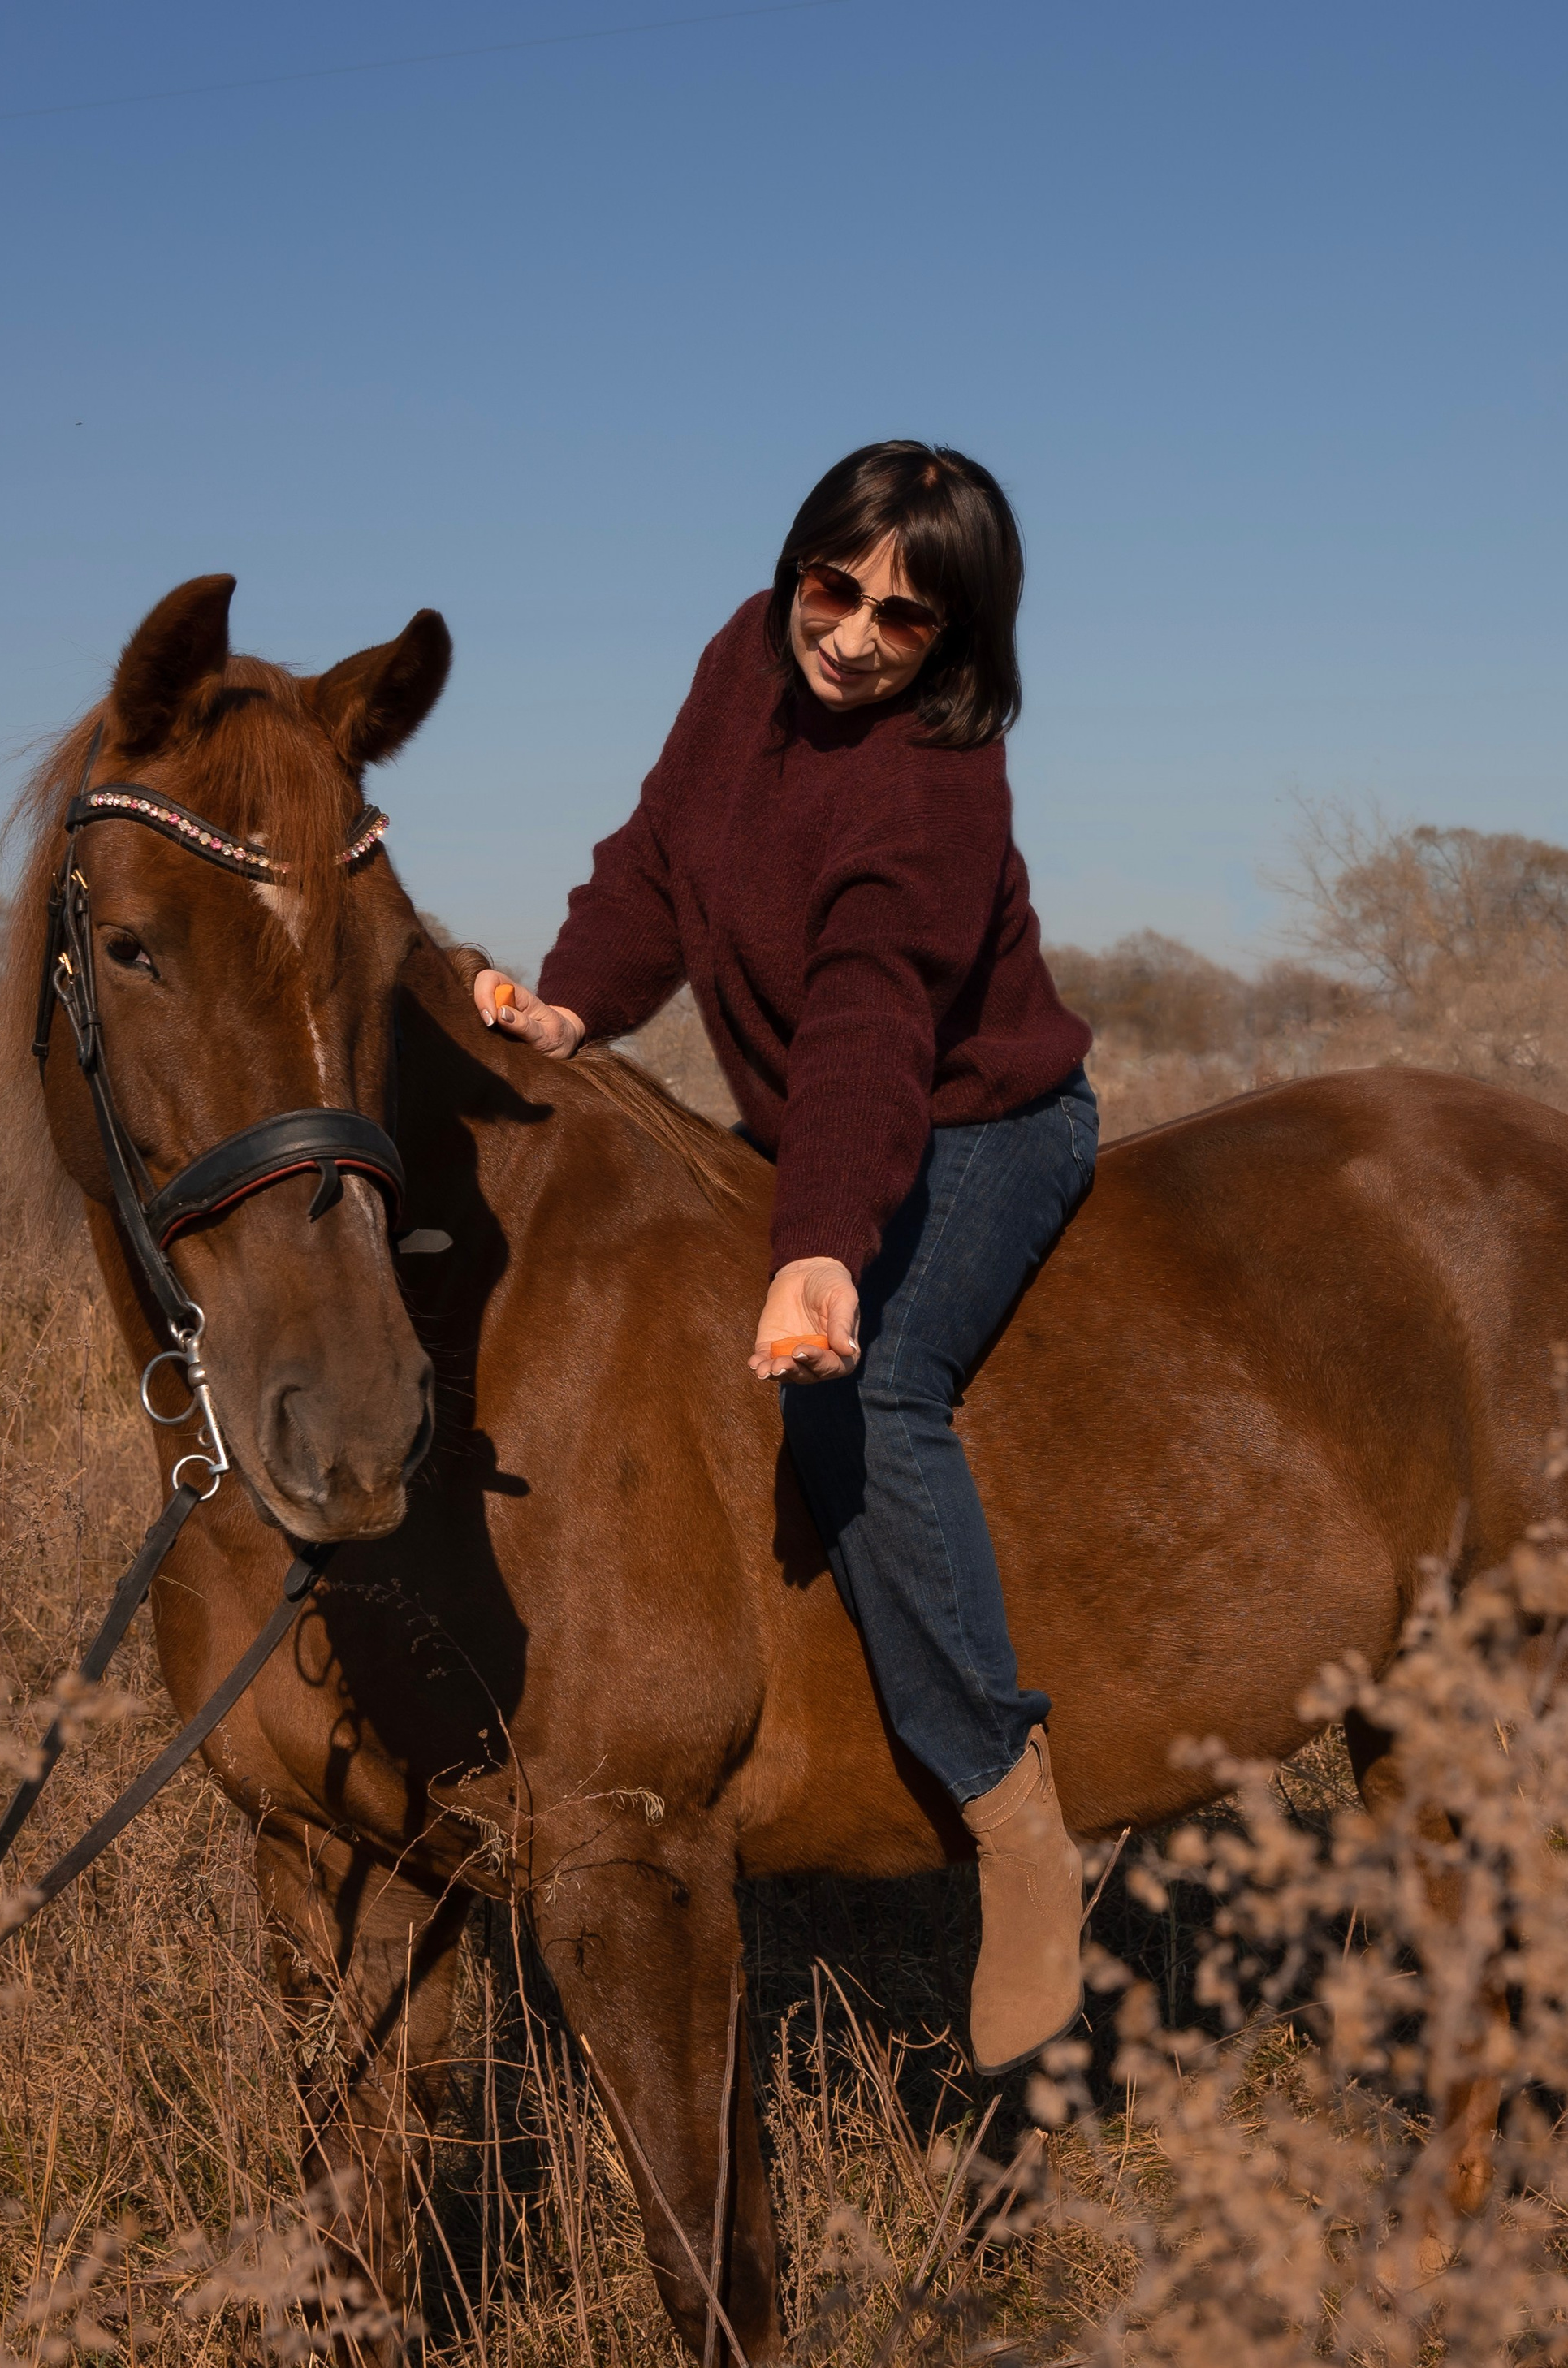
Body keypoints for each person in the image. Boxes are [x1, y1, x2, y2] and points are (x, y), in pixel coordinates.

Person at [477, 441, 1097, 2072]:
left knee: (864, 1387)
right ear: (792, 567)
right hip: (820, 1120)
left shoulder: (933, 775)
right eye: (834, 585)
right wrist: (569, 1006)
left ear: (957, 640)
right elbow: (655, 859)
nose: (852, 634)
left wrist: (818, 1245)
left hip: (975, 1125)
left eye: (906, 615)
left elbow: (868, 1014)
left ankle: (1011, 1819)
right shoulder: (734, 657)